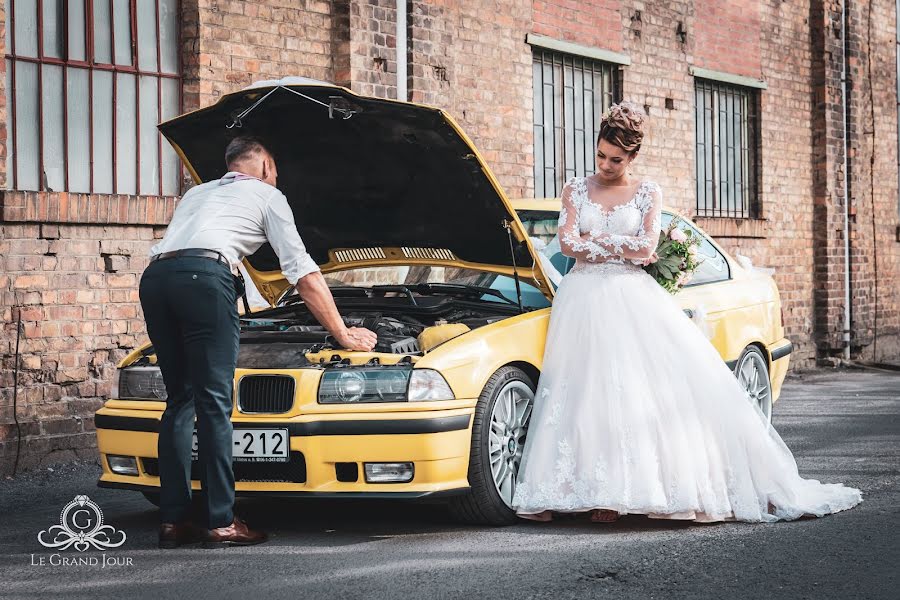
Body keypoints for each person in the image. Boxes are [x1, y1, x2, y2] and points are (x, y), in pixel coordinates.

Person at [510, 102, 862, 523]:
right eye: (601, 155)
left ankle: (619, 495)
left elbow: (644, 248)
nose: (605, 165)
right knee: (578, 390)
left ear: (633, 156)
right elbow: (568, 244)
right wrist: (617, 244)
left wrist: (598, 240)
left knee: (628, 392)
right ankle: (569, 490)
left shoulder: (647, 193)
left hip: (629, 300)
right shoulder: (575, 190)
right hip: (581, 299)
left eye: (616, 159)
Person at [140, 136, 377, 548]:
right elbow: (302, 273)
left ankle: (174, 521)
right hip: (203, 280)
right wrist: (343, 334)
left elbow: (197, 245)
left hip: (156, 279)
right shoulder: (268, 195)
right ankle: (221, 522)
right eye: (276, 171)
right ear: (266, 167)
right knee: (214, 403)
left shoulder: (196, 193)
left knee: (180, 400)